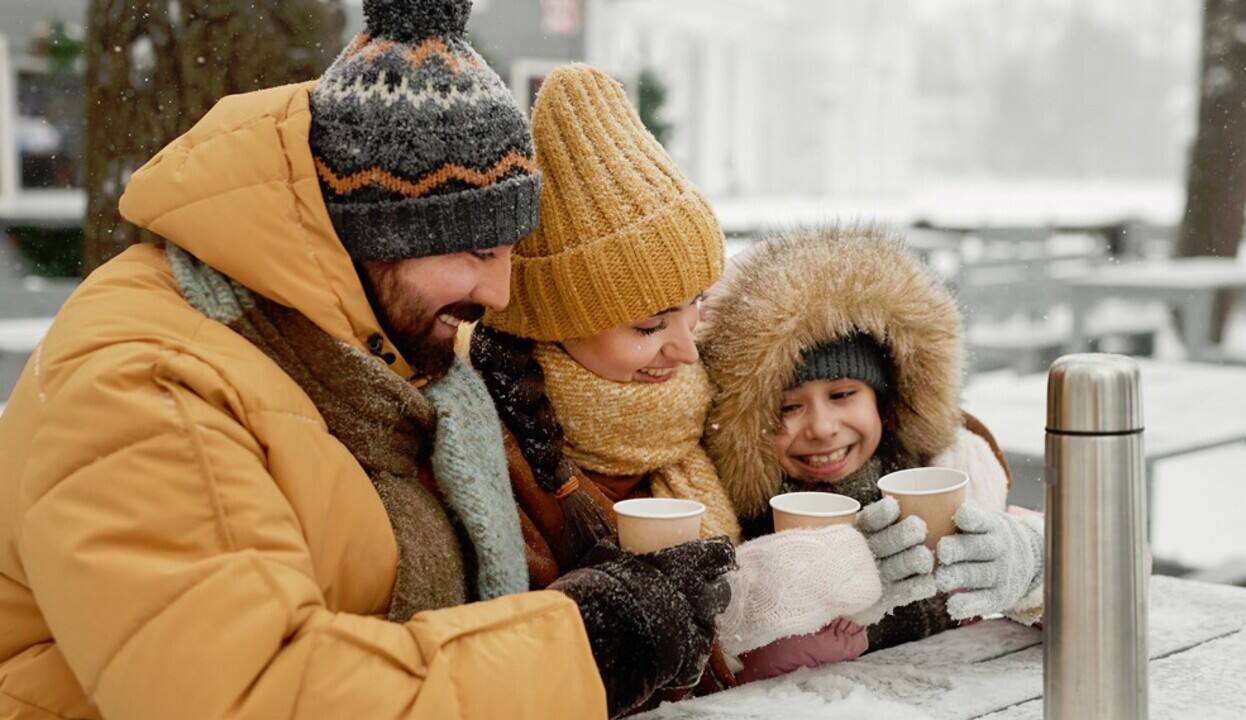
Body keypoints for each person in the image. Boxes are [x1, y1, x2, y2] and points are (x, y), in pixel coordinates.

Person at [0, 3, 729, 718]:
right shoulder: (139, 388)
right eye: (476, 252)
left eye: (509, 253)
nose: (500, 293)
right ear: (371, 234)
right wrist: (586, 647)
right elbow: (250, 693)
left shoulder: (367, 349)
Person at [469, 65, 879, 710]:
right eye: (649, 326)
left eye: (693, 307)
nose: (687, 350)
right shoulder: (494, 449)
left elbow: (884, 419)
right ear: (554, 323)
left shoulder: (708, 392)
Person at [697, 225, 1045, 680]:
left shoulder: (949, 472)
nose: (822, 428)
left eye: (843, 395)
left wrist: (1031, 564)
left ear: (884, 400)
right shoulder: (731, 517)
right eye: (788, 407)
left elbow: (1113, 566)